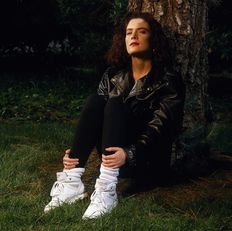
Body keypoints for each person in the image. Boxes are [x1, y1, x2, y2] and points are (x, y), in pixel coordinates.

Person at [44, 11, 185, 219]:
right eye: (129, 33)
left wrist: (129, 153)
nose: (133, 36)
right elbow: (97, 118)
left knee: (114, 103)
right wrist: (76, 151)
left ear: (154, 40)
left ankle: (106, 190)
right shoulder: (113, 75)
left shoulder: (168, 81)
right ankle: (72, 179)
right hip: (112, 157)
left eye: (142, 31)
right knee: (97, 100)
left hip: (145, 162)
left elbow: (160, 130)